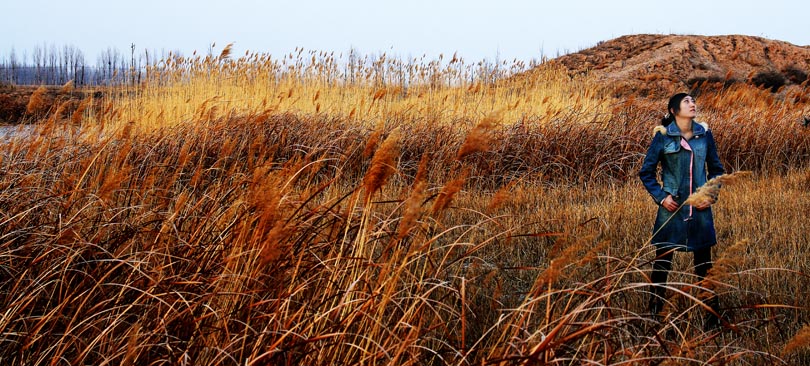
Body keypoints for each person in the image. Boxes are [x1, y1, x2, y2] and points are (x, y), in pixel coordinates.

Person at [638, 92, 725, 328]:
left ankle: (712, 318)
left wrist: (710, 194)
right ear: (674, 110)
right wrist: (661, 197)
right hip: (671, 210)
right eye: (686, 101)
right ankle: (654, 315)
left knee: (704, 266)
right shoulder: (663, 136)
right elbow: (646, 172)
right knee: (662, 263)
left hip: (699, 210)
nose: (693, 103)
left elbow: (717, 169)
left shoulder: (704, 134)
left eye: (694, 100)